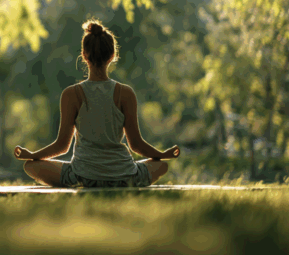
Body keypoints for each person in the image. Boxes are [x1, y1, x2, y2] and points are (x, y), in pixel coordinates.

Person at [13, 20, 180, 188]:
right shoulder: (126, 93)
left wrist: (33, 155)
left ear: (84, 55)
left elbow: (62, 146)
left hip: (82, 175)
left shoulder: (71, 94)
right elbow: (136, 144)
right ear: (113, 55)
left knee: (31, 166)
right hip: (125, 175)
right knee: (161, 165)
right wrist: (161, 154)